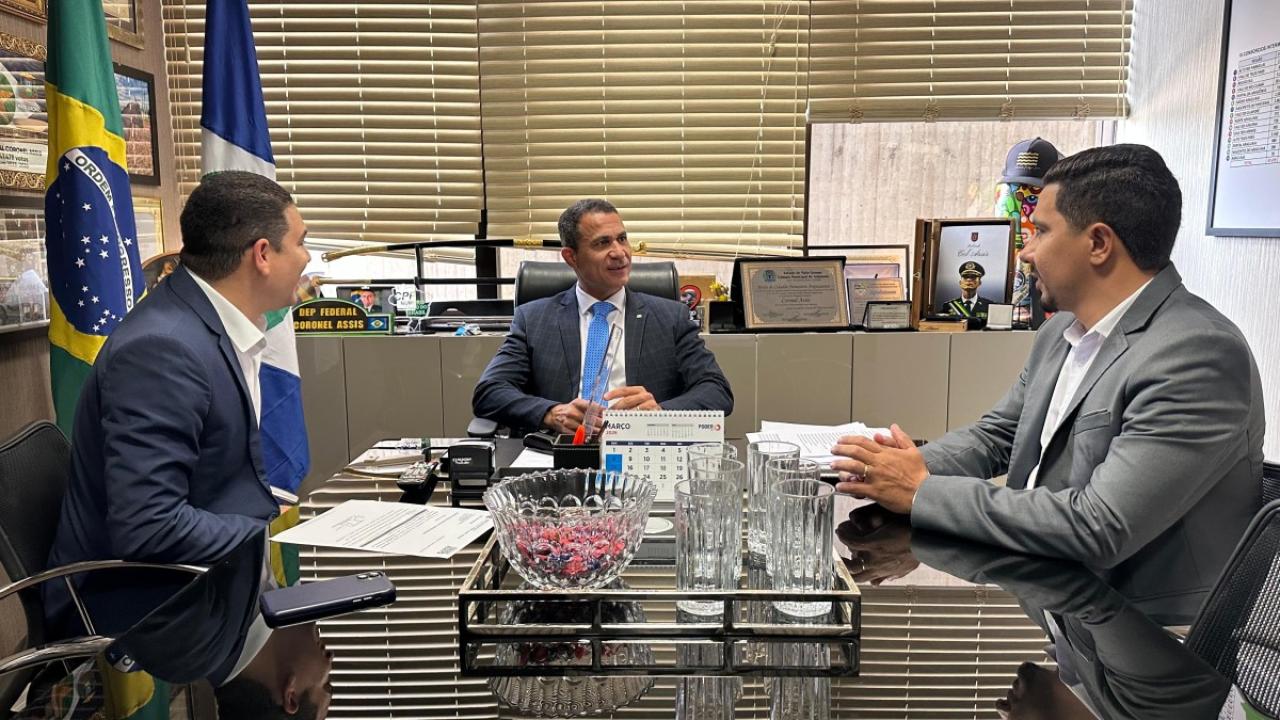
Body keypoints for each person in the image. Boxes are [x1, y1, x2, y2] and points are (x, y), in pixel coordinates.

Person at [831, 144, 1265, 624]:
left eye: (1040, 231)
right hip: (1057, 600)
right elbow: (1000, 435)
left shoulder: (1197, 354)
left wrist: (920, 491)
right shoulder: (1062, 331)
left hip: (1150, 633)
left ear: (1098, 243)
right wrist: (901, 467)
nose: (1025, 251)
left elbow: (1099, 526)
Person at [45, 170, 312, 637]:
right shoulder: (164, 348)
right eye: (301, 242)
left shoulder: (206, 322)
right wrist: (266, 533)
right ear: (262, 255)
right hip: (146, 613)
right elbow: (149, 526)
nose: (308, 258)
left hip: (204, 582)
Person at [473, 198, 733, 435]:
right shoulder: (533, 319)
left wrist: (659, 413)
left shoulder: (671, 317)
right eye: (602, 243)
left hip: (640, 449)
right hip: (559, 451)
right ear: (571, 257)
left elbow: (716, 390)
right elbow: (489, 392)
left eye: (622, 239)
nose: (620, 252)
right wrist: (552, 414)